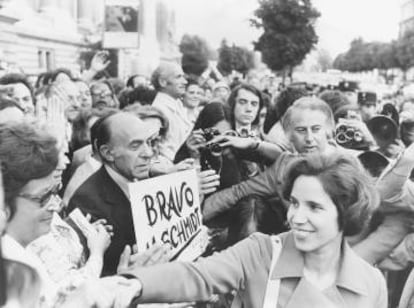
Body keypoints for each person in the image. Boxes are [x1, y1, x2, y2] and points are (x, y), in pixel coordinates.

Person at [122, 153, 386, 308]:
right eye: (293, 203)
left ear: (347, 212)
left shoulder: (371, 283)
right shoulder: (262, 251)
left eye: (314, 207)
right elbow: (198, 276)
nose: (295, 217)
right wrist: (131, 284)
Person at [67, 112, 162, 275]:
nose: (148, 153)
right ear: (107, 153)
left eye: (149, 142)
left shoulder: (152, 181)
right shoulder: (86, 202)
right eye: (135, 146)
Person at [151, 62, 192, 161]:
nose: (185, 82)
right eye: (178, 77)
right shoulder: (158, 110)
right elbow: (155, 151)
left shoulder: (177, 104)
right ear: (162, 82)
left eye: (183, 77)